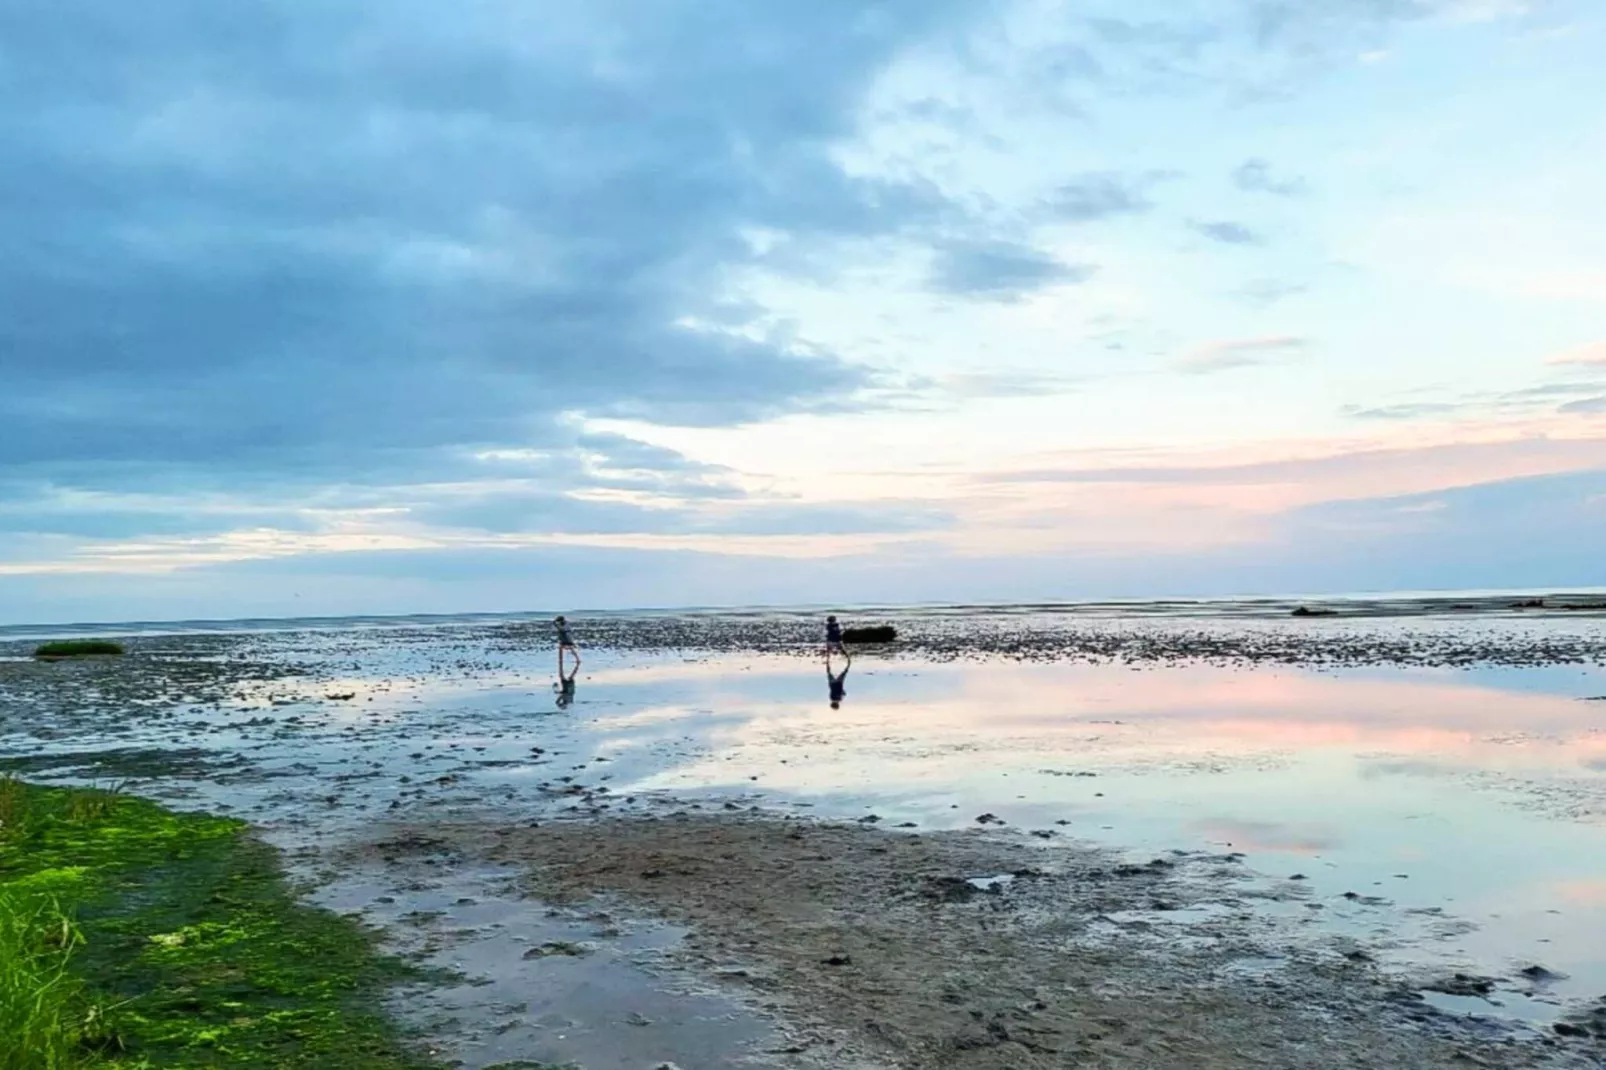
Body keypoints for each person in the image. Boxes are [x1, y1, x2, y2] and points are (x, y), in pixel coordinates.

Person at [826, 645, 850, 709]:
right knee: (828, 671)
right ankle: (828, 657)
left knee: (845, 670)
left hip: (839, 683)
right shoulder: (831, 698)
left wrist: (843, 693)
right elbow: (834, 691)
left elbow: (842, 692)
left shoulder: (839, 699)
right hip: (832, 683)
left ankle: (847, 657)